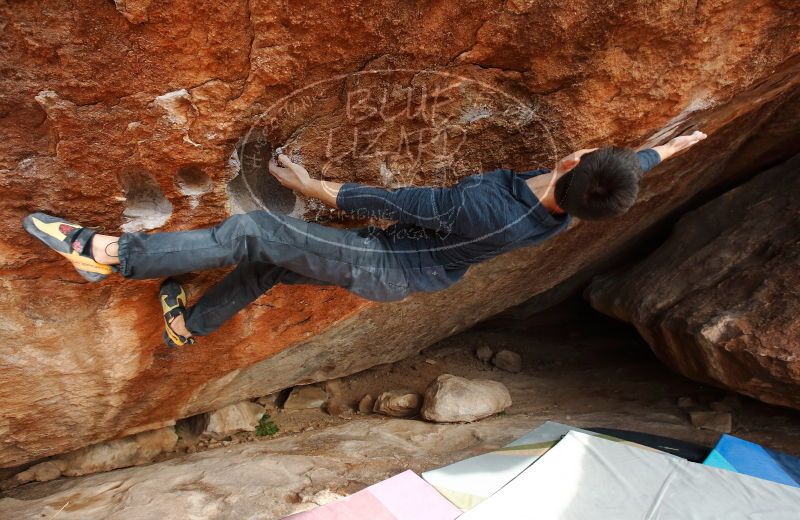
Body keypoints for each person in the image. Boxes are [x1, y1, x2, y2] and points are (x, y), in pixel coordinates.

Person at [23, 131, 707, 347]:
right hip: (413, 274)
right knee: (275, 263)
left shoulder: (482, 208)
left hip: (384, 262)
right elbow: (634, 167)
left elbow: (379, 200)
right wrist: (676, 144)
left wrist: (306, 180)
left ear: (567, 164)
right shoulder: (587, 198)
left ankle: (111, 256)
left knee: (259, 230)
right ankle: (191, 324)